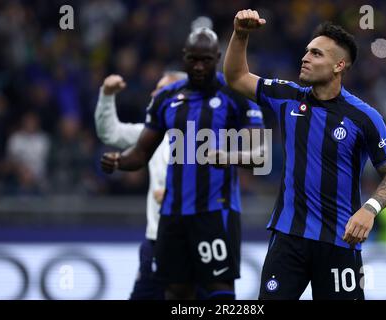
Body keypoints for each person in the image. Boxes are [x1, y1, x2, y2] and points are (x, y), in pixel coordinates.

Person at [223, 9, 386, 299]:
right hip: (288, 239)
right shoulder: (287, 96)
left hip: (339, 241)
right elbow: (236, 76)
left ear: (339, 65)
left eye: (317, 54)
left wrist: (370, 209)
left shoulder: (364, 117)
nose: (305, 57)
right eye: (307, 51)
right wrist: (241, 35)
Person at [100, 27, 265, 300]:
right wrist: (119, 161)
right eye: (193, 59)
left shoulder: (235, 95)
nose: (199, 66)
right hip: (173, 216)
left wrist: (226, 156)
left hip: (215, 212)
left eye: (206, 60)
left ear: (218, 57)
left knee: (218, 287)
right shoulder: (166, 98)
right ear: (184, 57)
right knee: (176, 290)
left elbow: (259, 154)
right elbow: (141, 154)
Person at [95, 71, 187, 299]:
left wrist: (176, 195)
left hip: (189, 239)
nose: (153, 93)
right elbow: (111, 133)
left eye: (161, 88)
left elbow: (220, 180)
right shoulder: (151, 135)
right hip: (156, 238)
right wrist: (106, 95)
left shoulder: (202, 136)